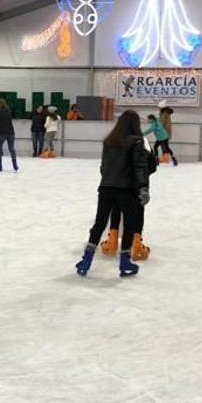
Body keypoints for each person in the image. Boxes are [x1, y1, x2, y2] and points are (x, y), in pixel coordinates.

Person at [74, 110, 149, 278]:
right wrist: (143, 187)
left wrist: (108, 180)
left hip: (106, 187)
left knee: (99, 224)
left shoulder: (109, 141)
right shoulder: (137, 142)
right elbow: (139, 167)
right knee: (129, 225)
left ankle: (86, 260)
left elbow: (103, 167)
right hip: (126, 189)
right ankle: (124, 263)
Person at [0, 96, 18, 172]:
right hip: (11, 132)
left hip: (2, 133)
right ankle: (15, 165)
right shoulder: (8, 111)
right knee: (11, 148)